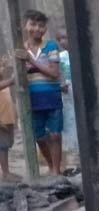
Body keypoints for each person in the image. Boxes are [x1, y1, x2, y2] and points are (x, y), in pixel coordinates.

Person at [16, 9, 62, 175]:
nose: (37, 29)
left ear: (45, 29)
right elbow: (16, 74)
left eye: (41, 26)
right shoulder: (20, 49)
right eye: (33, 24)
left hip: (52, 96)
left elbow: (54, 73)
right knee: (39, 136)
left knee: (55, 134)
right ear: (25, 26)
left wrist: (32, 62)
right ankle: (50, 165)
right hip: (32, 99)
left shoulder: (51, 46)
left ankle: (56, 171)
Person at [56, 33, 78, 160]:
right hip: (66, 91)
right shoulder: (60, 57)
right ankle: (71, 148)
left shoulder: (79, 54)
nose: (63, 41)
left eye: (66, 37)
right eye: (60, 39)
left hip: (78, 88)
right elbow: (58, 73)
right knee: (69, 118)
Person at [0, 65, 20, 182]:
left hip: (7, 119)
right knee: (2, 147)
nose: (2, 69)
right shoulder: (4, 84)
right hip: (1, 120)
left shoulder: (4, 83)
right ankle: (6, 173)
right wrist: (12, 80)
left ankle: (7, 171)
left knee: (5, 146)